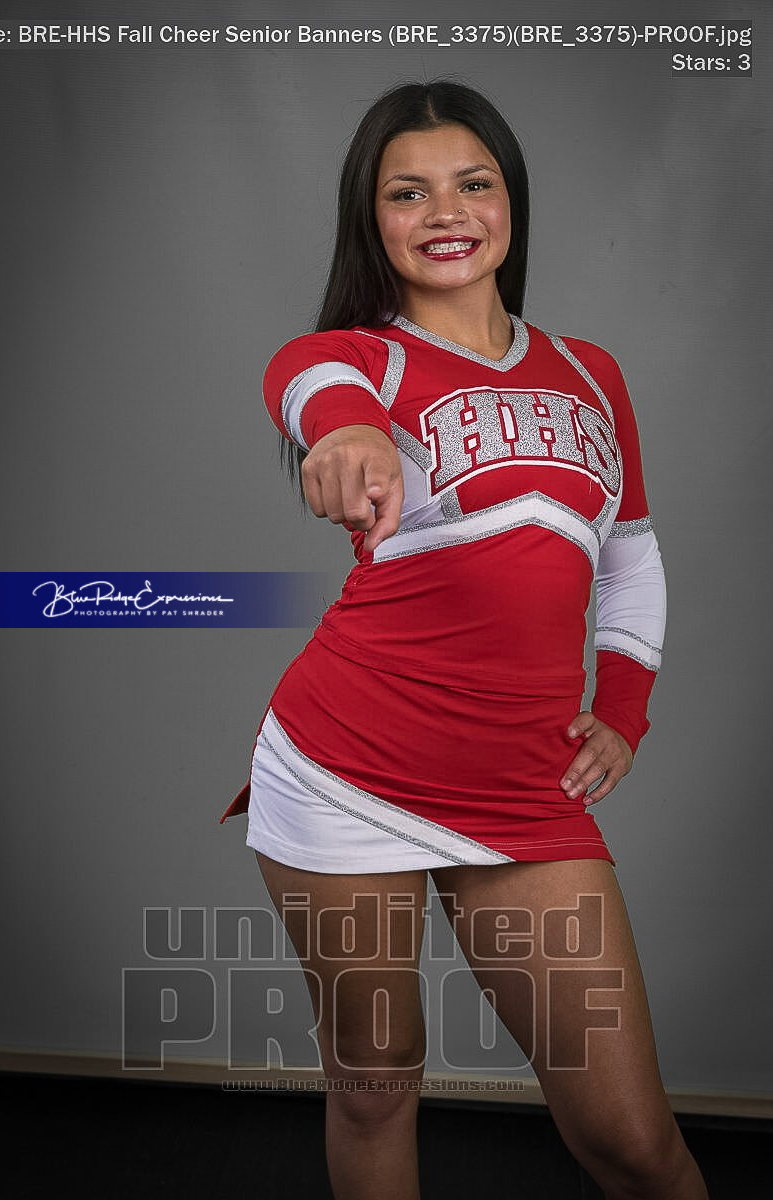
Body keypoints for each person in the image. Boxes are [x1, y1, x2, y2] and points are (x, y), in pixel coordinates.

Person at [220, 79, 708, 1200]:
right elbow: (304, 375)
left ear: (509, 201)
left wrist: (623, 710)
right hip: (346, 767)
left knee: (633, 1141)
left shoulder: (589, 373)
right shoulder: (362, 362)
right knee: (375, 1081)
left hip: (521, 783)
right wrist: (345, 432)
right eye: (408, 192)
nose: (446, 212)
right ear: (372, 219)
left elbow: (629, 556)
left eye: (473, 182)